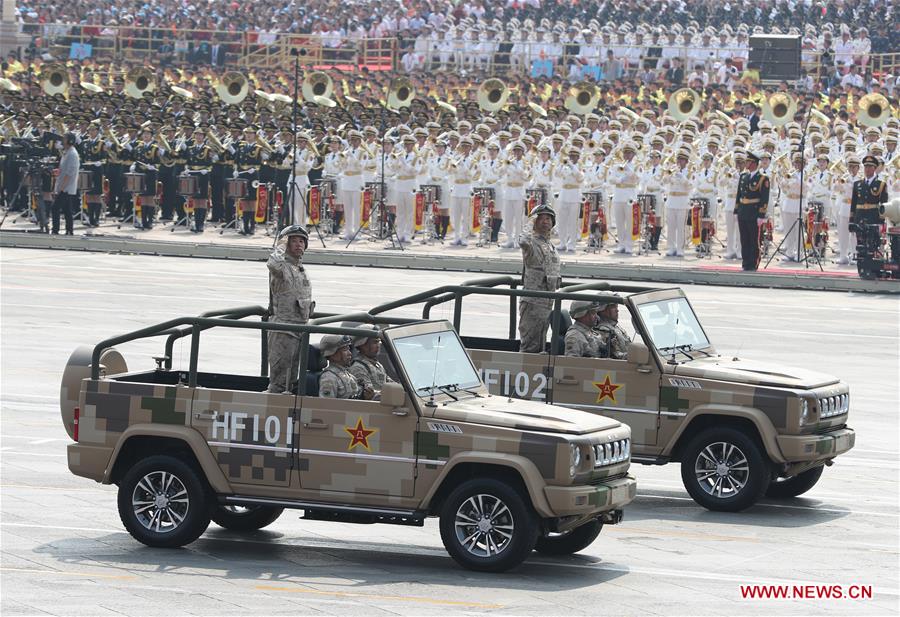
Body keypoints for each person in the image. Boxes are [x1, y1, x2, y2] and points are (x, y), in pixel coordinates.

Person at [267, 225, 315, 394]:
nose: (298, 244)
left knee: (292, 381)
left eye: (301, 241)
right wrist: (280, 245)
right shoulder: (283, 267)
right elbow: (273, 263)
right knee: (280, 380)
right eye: (293, 241)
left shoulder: (300, 269)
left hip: (299, 330)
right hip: (283, 331)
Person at [518, 204, 560, 353]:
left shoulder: (550, 246)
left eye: (548, 218)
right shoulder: (531, 242)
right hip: (532, 303)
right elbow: (522, 241)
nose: (545, 221)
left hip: (546, 303)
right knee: (530, 346)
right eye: (540, 218)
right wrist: (530, 222)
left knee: (540, 345)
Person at [735, 151, 770, 272]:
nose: (746, 163)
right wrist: (737, 210)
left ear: (754, 163)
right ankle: (745, 262)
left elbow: (764, 198)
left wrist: (761, 214)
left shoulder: (762, 178)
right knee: (744, 239)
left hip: (754, 212)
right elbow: (739, 195)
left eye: (748, 161)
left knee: (754, 240)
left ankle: (753, 264)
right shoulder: (743, 176)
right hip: (743, 211)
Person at [319, 334, 375, 400]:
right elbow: (326, 405)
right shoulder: (329, 377)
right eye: (345, 350)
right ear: (332, 354)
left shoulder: (347, 374)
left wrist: (364, 396)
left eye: (349, 349)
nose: (350, 353)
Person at [349, 324, 392, 396]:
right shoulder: (358, 367)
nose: (378, 345)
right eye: (374, 342)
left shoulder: (377, 365)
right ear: (363, 345)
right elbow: (369, 394)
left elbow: (390, 383)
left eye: (378, 342)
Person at [51, 132, 80, 236]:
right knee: (67, 210)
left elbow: (70, 173)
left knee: (55, 208)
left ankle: (55, 230)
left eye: (65, 139)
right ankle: (69, 230)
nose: (63, 140)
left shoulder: (72, 153)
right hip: (63, 185)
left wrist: (61, 188)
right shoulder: (66, 152)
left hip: (66, 187)